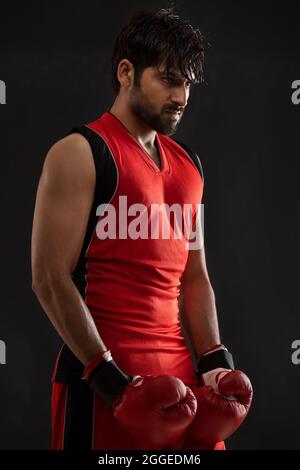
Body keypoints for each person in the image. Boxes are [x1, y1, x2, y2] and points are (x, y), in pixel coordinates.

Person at [31, 7, 253, 451]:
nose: (182, 96)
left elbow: (194, 275)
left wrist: (214, 363)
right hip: (102, 382)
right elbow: (49, 278)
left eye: (188, 82)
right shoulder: (80, 153)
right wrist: (112, 384)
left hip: (181, 389)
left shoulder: (189, 165)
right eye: (169, 79)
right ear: (127, 72)